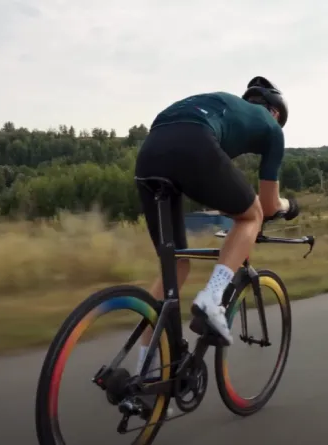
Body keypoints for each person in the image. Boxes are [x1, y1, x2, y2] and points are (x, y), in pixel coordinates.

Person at [133, 76, 300, 380]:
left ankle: (144, 366)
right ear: (275, 112)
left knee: (176, 264)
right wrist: (290, 206)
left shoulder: (226, 108)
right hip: (194, 142)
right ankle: (212, 298)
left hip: (150, 151)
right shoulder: (272, 128)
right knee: (252, 217)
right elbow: (269, 204)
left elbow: (217, 190)